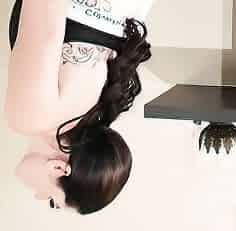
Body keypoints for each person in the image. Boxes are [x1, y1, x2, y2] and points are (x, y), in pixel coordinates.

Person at [5, 0, 154, 214]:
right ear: (59, 168)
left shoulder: (97, 101)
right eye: (52, 200)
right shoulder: (32, 117)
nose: (38, 195)